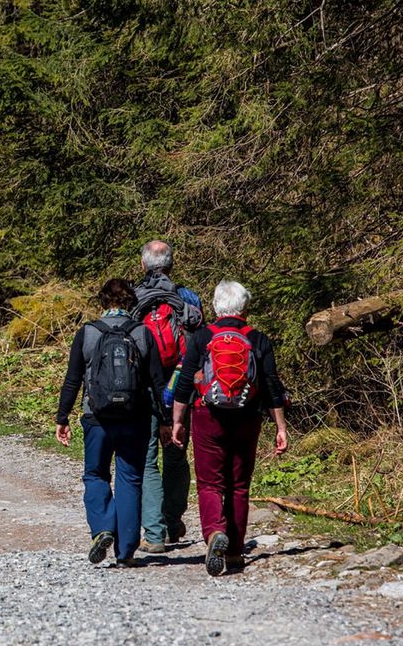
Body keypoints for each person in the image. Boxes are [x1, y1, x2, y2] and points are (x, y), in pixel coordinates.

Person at [171, 280, 288, 577]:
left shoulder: (201, 337)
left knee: (210, 483)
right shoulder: (258, 339)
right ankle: (235, 552)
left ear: (215, 307)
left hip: (207, 415)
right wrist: (280, 427)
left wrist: (177, 421)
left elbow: (185, 383)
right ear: (245, 308)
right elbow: (272, 386)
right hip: (248, 417)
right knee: (238, 485)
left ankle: (214, 533)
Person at [55, 279, 168, 567]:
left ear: (103, 302)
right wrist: (166, 420)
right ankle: (126, 551)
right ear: (130, 303)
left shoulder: (88, 333)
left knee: (95, 475)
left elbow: (73, 379)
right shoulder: (143, 333)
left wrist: (63, 417)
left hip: (96, 418)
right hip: (136, 417)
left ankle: (103, 528)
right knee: (130, 478)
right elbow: (157, 382)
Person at [132, 240, 204, 553]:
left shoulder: (132, 297)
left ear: (142, 265)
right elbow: (200, 344)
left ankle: (154, 532)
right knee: (175, 453)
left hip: (144, 388)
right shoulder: (187, 298)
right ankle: (173, 521)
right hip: (179, 388)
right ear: (171, 265)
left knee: (146, 460)